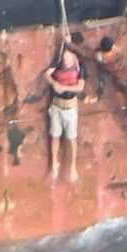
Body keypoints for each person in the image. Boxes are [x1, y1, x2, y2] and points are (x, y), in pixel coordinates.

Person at [44, 48, 85, 182]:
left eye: (68, 59)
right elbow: (46, 75)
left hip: (70, 109)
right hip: (56, 107)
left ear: (74, 58)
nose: (66, 62)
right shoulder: (57, 65)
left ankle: (73, 168)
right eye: (64, 60)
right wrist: (54, 83)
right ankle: (54, 166)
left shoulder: (79, 68)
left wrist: (64, 88)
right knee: (54, 136)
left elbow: (80, 87)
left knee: (71, 138)